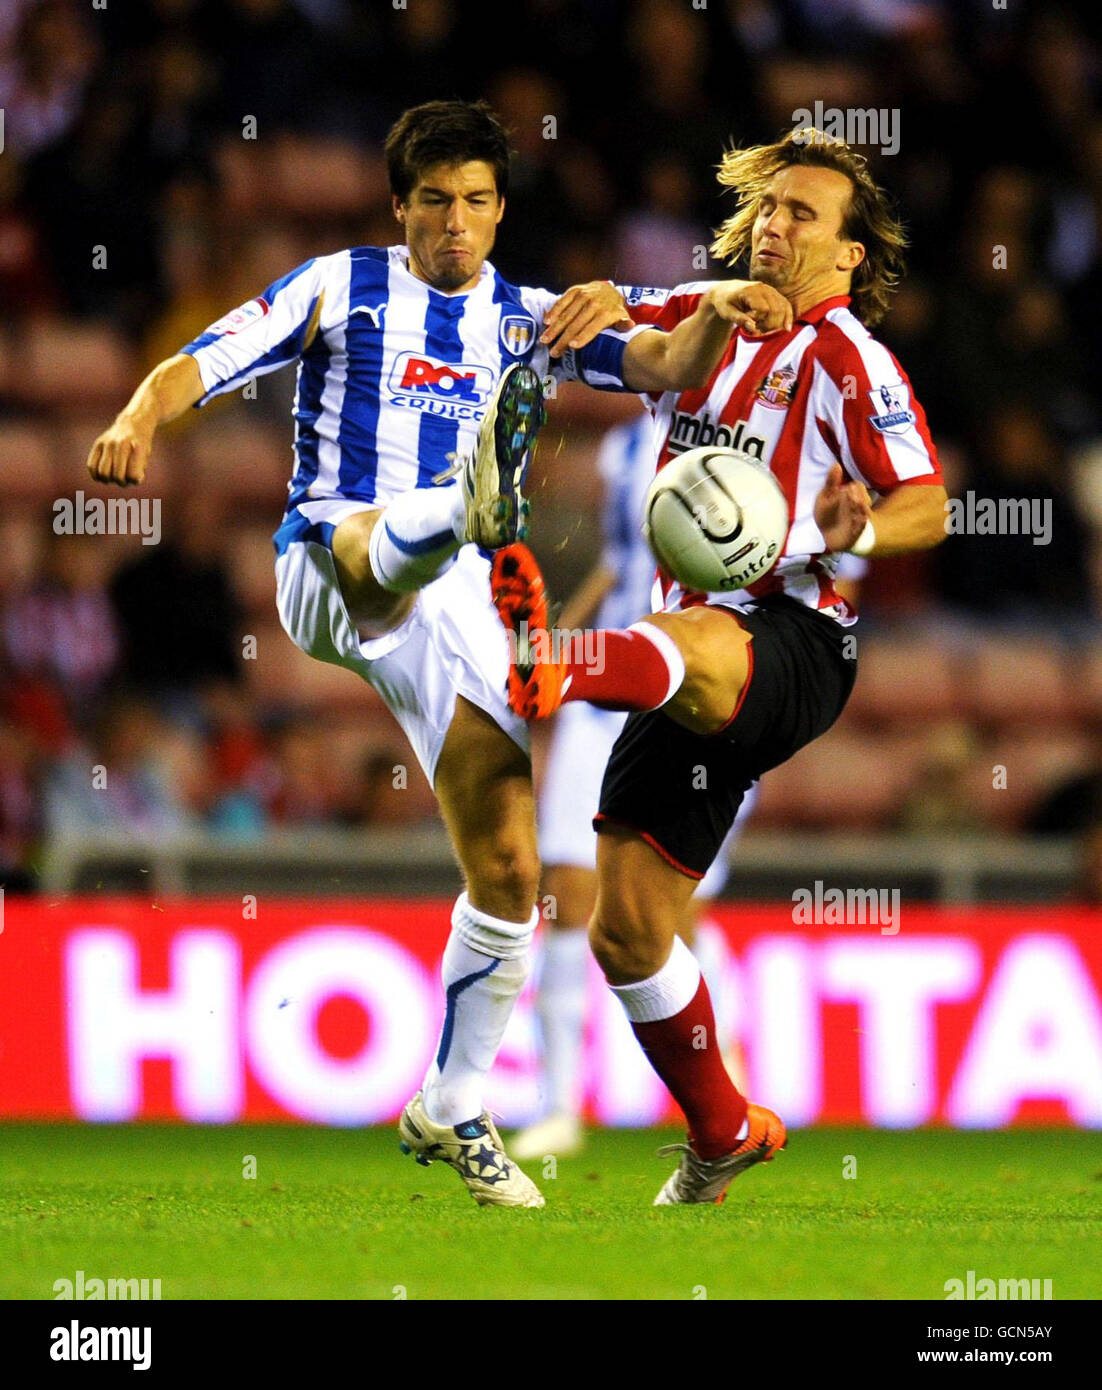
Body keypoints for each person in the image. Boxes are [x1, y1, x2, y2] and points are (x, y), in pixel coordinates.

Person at [85, 100, 793, 1208]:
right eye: (432, 203)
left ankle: (453, 1104)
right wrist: (135, 415)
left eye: (473, 202)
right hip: (331, 559)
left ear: (499, 209)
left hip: (458, 596)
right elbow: (201, 359)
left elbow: (660, 358)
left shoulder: (528, 315)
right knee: (382, 548)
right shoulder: (337, 284)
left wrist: (724, 306)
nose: (453, 224)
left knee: (510, 867)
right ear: (398, 207)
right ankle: (459, 510)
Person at [494, 127, 948, 1204]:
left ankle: (551, 665)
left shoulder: (847, 358)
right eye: (770, 208)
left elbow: (925, 502)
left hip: (793, 638)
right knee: (625, 926)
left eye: (806, 216)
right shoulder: (692, 319)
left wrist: (861, 527)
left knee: (700, 640)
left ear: (846, 256)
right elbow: (567, 331)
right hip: (676, 665)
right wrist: (585, 300)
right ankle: (721, 1129)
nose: (779, 226)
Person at [513, 411, 755, 1160]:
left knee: (674, 913)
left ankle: (726, 1096)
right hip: (611, 686)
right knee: (561, 888)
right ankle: (558, 1107)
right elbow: (622, 564)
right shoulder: (622, 447)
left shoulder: (745, 436)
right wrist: (550, 651)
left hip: (695, 696)